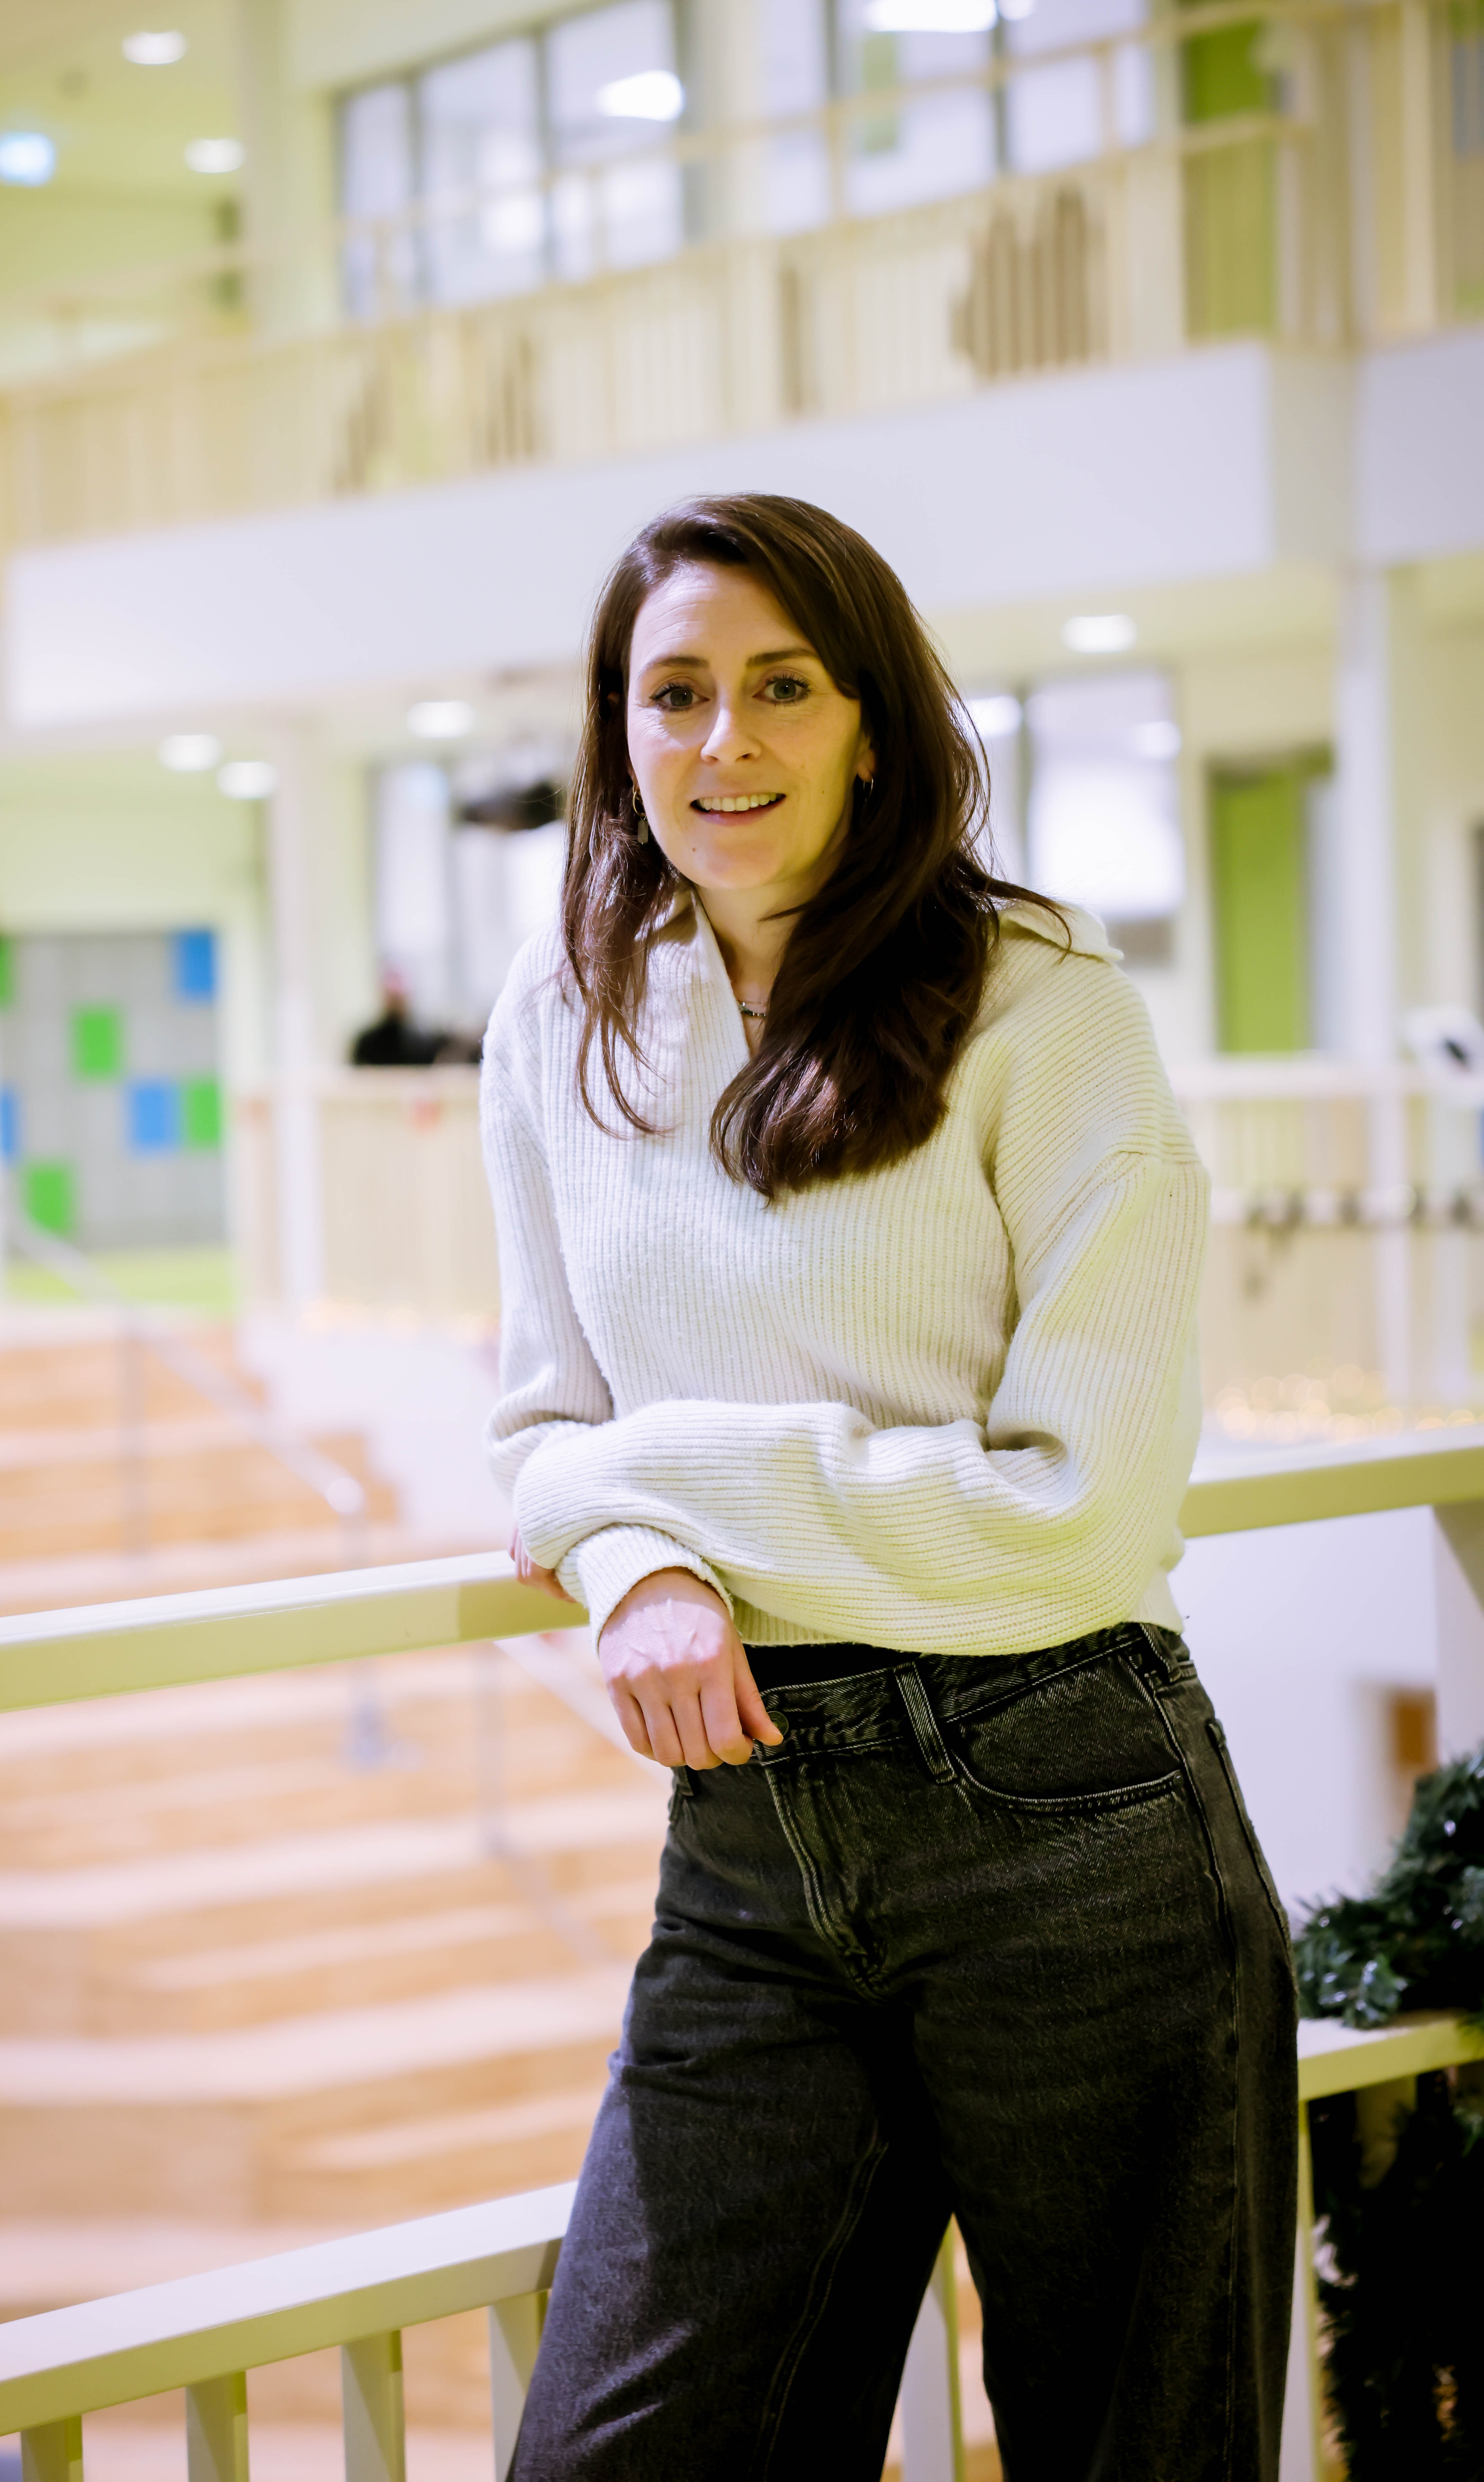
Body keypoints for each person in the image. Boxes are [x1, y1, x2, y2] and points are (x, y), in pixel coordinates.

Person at [480, 496, 1296, 2479]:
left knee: (1128, 2449)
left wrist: (651, 1484)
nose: (720, 743)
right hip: (746, 1835)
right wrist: (632, 1570)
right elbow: (532, 1437)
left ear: (869, 722)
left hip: (1069, 1814)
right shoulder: (561, 1022)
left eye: (778, 687)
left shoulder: (1044, 1008)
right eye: (670, 694)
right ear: (617, 732)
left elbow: (1079, 1507)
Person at [349, 968, 442, 1067]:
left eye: (398, 998)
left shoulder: (424, 1043)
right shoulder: (367, 1043)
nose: (396, 1003)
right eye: (392, 997)